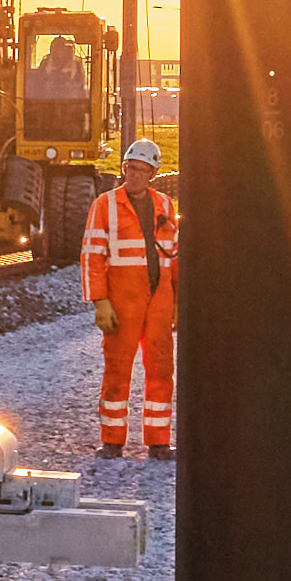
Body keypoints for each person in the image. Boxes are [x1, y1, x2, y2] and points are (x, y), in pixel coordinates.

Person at [81, 134, 177, 458]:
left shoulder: (165, 205)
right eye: (129, 168)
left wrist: (178, 301)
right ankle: (112, 440)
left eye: (140, 170)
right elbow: (92, 255)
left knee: (161, 369)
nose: (133, 175)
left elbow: (174, 254)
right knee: (117, 369)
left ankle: (159, 441)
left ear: (153, 174)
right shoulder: (105, 205)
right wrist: (100, 302)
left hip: (160, 299)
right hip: (122, 301)